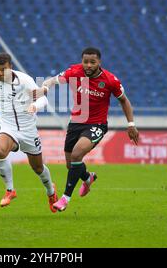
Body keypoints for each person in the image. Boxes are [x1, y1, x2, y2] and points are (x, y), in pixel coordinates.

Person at [40, 47, 139, 212]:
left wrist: (131, 124)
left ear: (99, 62)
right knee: (71, 164)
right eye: (85, 61)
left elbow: (124, 101)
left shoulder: (110, 80)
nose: (88, 65)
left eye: (92, 62)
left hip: (97, 124)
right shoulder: (74, 71)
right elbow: (52, 80)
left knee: (77, 154)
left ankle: (65, 198)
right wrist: (46, 86)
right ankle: (88, 177)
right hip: (76, 122)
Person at [0, 52, 59, 212]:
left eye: (3, 70)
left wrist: (35, 106)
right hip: (8, 127)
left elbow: (43, 99)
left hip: (28, 130)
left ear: (11, 67)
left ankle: (51, 192)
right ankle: (10, 190)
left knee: (37, 168)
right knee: (0, 150)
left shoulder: (25, 80)